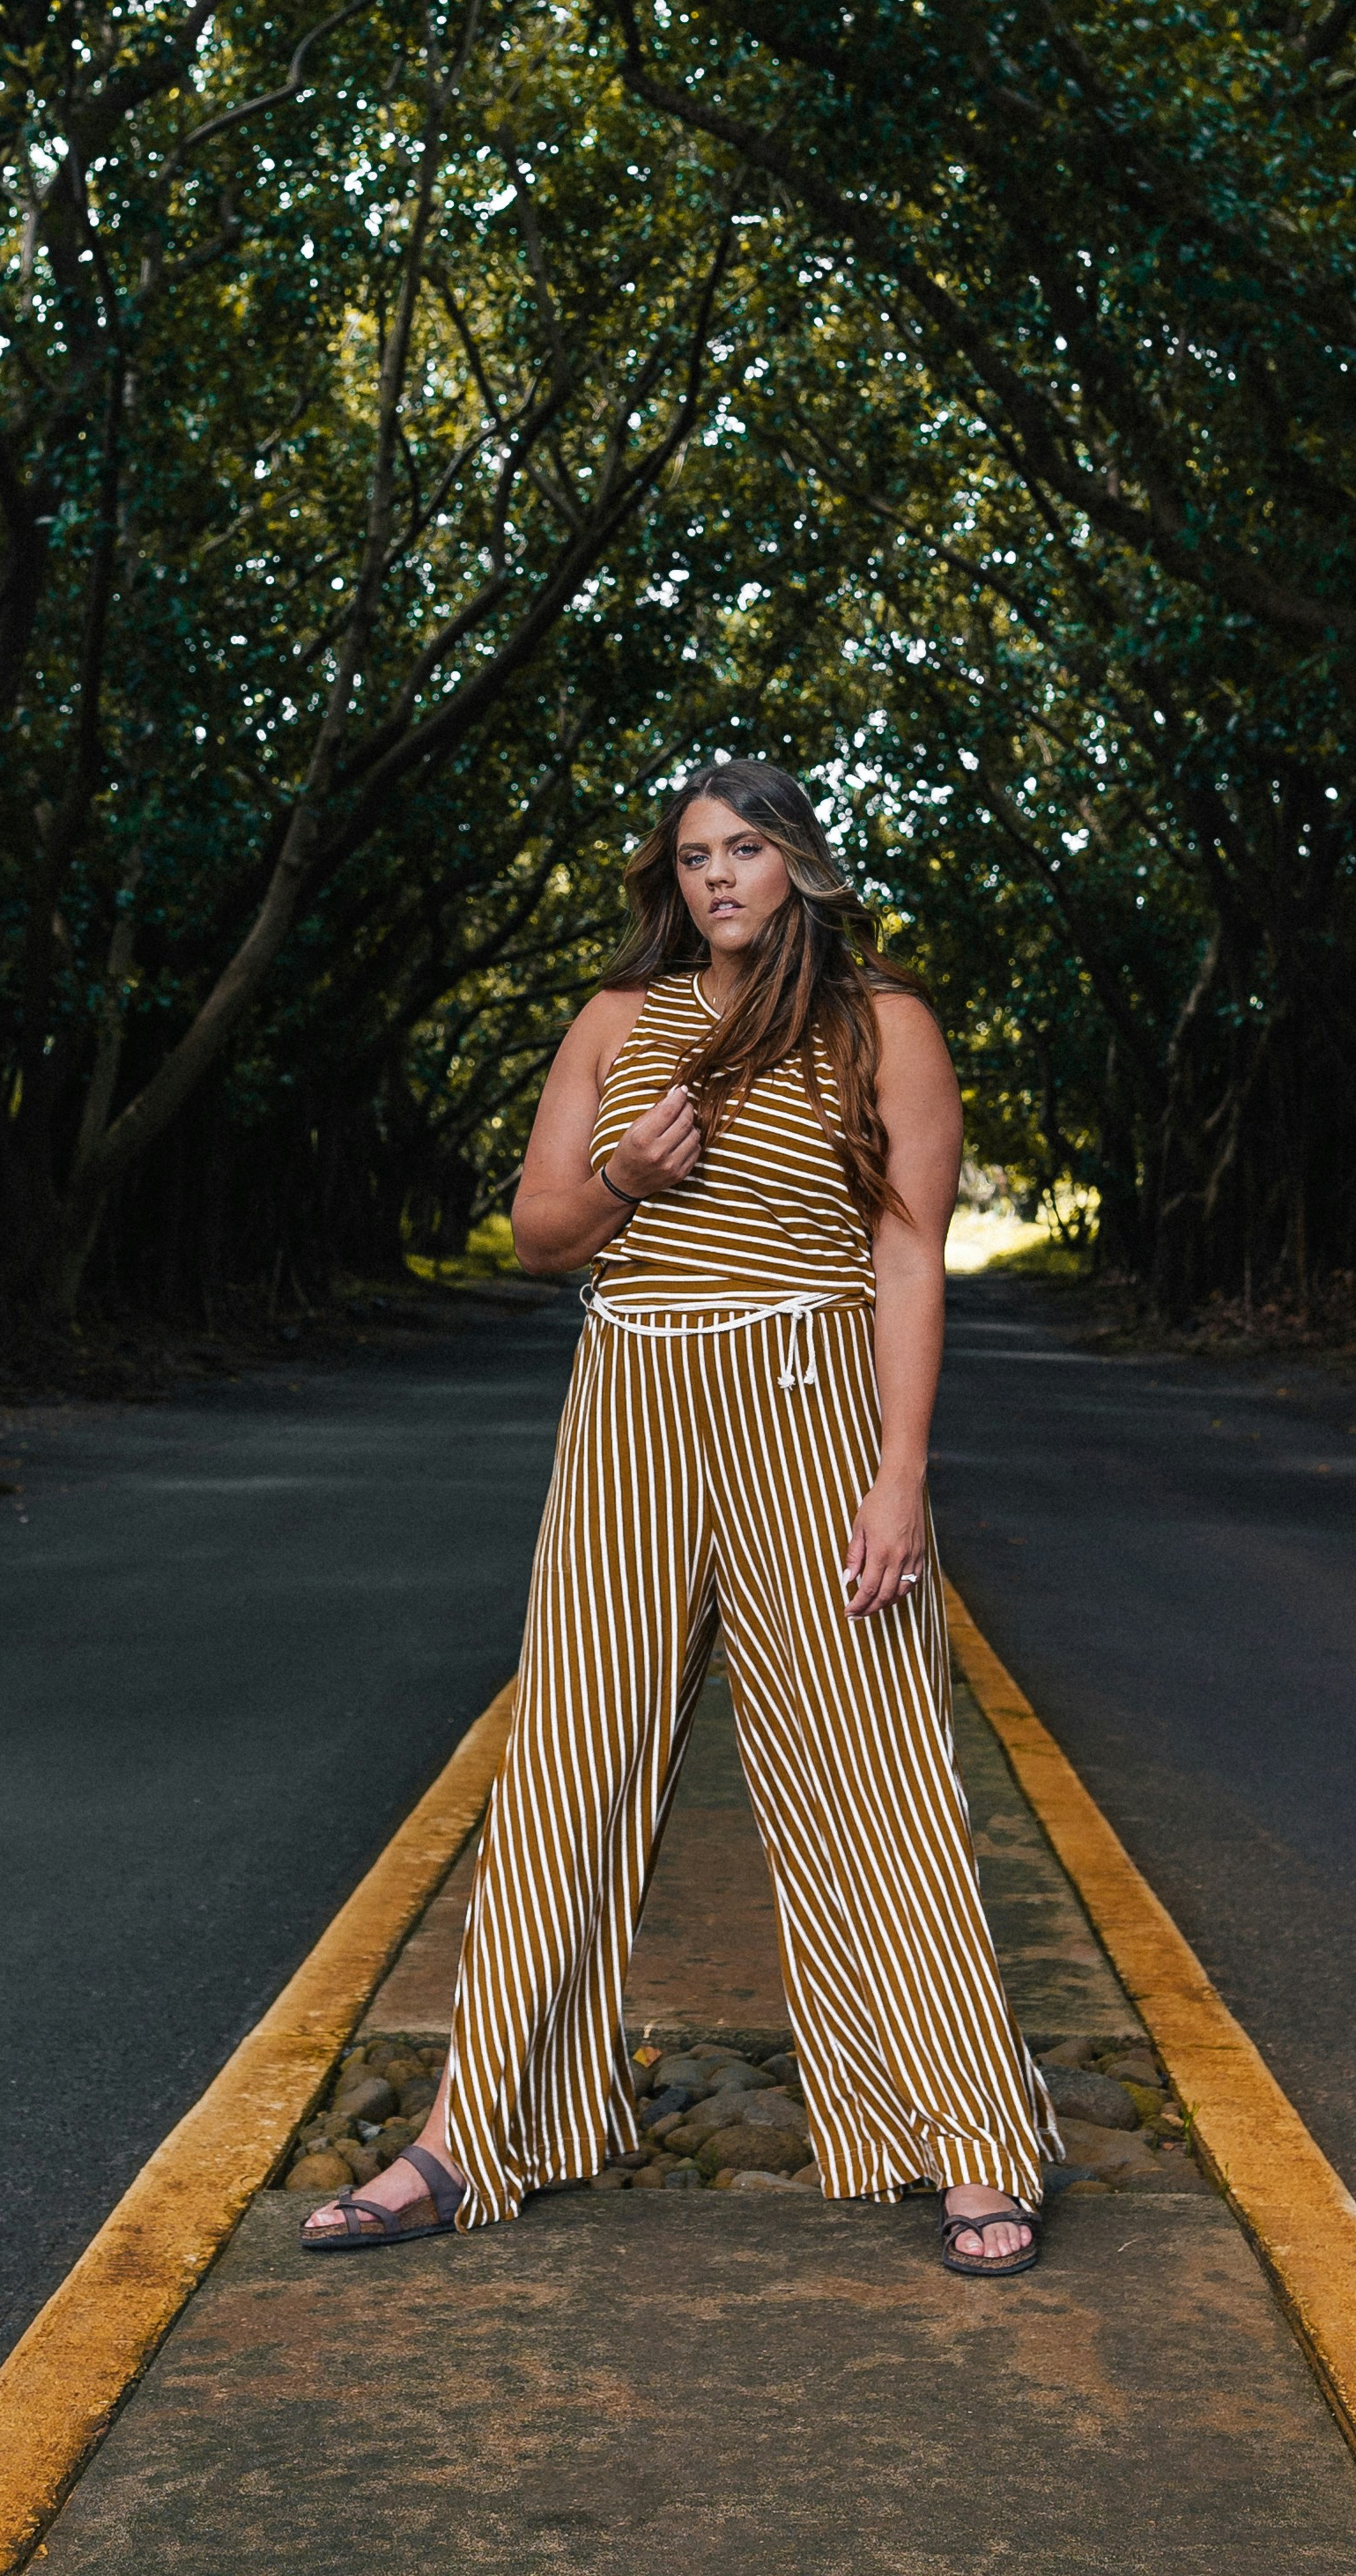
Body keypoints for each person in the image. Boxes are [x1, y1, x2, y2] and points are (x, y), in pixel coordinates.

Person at [300, 757, 1056, 2275]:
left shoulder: (882, 1026)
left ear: (802, 869)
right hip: (631, 1410)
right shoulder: (612, 1023)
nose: (718, 878)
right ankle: (471, 2140)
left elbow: (909, 1257)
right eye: (696, 854)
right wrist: (627, 1177)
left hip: (812, 1403)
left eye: (749, 851)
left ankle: (971, 2141)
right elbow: (535, 1236)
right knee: (565, 1771)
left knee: (875, 1776)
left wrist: (901, 1470)